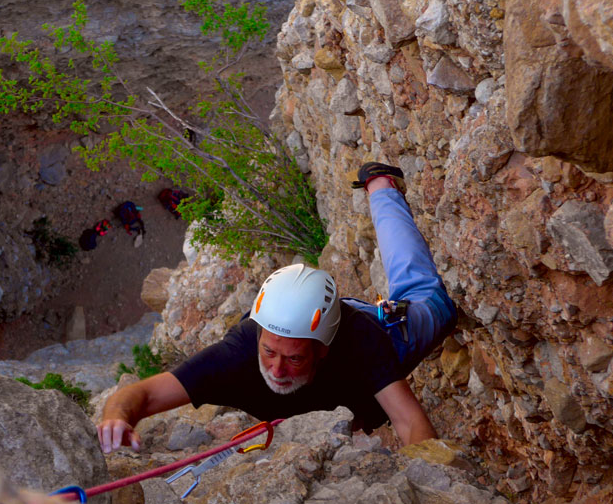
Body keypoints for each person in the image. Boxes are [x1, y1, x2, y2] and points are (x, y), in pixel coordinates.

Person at [98, 162, 456, 453]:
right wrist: (117, 417)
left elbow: (410, 422)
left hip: (386, 335)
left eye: (295, 358)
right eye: (269, 351)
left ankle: (380, 187)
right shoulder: (237, 353)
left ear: (323, 350)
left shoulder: (360, 340)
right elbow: (141, 395)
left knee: (430, 298)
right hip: (338, 366)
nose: (277, 368)